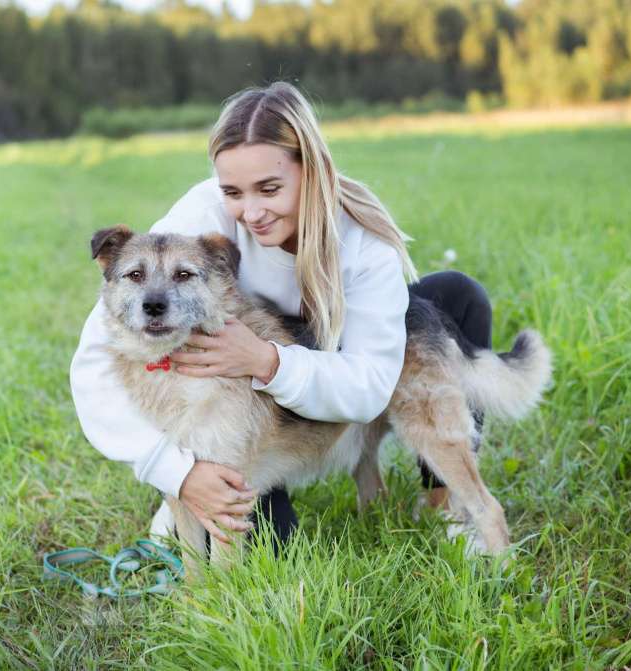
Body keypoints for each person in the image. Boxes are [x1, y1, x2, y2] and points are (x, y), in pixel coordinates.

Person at [69, 81, 492, 550]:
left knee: (453, 297)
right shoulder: (201, 217)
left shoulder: (365, 243)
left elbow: (371, 385)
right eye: (233, 191)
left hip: (310, 366)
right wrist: (178, 474)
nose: (250, 212)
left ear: (312, 172)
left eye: (269, 188)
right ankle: (196, 483)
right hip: (247, 408)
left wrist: (267, 360)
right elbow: (94, 364)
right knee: (269, 547)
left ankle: (443, 500)